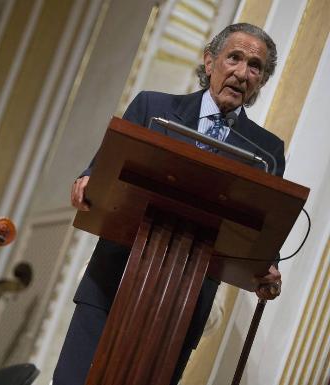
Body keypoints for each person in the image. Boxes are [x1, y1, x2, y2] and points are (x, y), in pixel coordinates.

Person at [53, 23, 284, 385]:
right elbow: (100, 170)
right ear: (210, 62)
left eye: (255, 66)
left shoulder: (266, 152)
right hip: (111, 283)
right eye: (234, 58)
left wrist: (266, 267)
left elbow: (259, 233)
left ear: (262, 80)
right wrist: (86, 181)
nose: (242, 73)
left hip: (182, 310)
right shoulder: (152, 106)